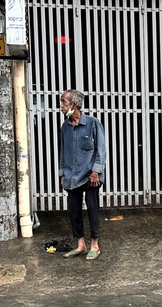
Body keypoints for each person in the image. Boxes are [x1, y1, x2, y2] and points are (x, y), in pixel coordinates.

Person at [58, 89, 108, 260]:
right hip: (72, 175)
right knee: (74, 210)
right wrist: (62, 173)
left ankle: (95, 245)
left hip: (90, 175)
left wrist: (96, 171)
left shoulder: (93, 123)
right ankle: (81, 245)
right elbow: (63, 152)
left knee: (92, 209)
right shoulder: (65, 127)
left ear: (74, 104)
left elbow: (101, 150)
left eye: (63, 102)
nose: (61, 106)